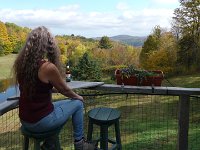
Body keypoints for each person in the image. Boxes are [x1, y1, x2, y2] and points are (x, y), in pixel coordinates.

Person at [13, 26, 95, 150]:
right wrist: (78, 96)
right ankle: (80, 143)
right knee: (77, 104)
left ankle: (49, 144)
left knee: (62, 107)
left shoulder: (21, 63)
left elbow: (39, 87)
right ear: (46, 46)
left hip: (25, 119)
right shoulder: (47, 67)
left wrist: (53, 87)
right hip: (40, 122)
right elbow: (65, 90)